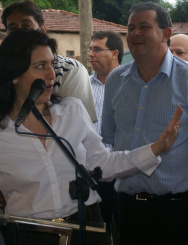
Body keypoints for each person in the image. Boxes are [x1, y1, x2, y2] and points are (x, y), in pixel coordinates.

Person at [0, 29, 182, 245]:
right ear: (15, 74)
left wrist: (154, 149)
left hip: (87, 228)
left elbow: (101, 163)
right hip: (30, 236)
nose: (52, 74)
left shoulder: (72, 110)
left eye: (51, 65)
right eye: (40, 66)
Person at [101, 2, 188, 245]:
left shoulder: (186, 79)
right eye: (130, 28)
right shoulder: (115, 80)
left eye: (144, 27)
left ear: (166, 34)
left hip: (177, 210)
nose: (134, 34)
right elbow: (108, 139)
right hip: (128, 208)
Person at [0, 0, 97, 123]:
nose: (20, 33)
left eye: (26, 26)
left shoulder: (71, 71)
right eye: (13, 29)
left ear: (43, 29)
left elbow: (80, 127)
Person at [89, 30, 124, 244]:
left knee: (124, 233)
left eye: (97, 49)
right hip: (91, 176)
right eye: (90, 49)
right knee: (95, 235)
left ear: (114, 53)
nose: (91, 54)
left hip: (123, 175)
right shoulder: (81, 86)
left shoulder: (130, 84)